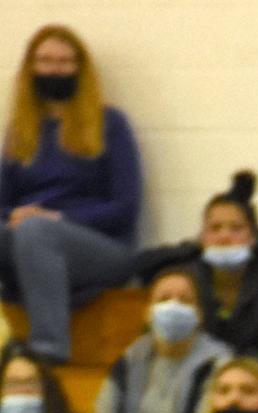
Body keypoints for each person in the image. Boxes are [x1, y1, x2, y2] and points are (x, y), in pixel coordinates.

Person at [0, 24, 141, 364]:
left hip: (103, 247)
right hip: (29, 240)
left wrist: (56, 218)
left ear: (80, 68)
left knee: (37, 232)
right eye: (46, 61)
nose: (55, 69)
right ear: (31, 68)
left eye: (65, 61)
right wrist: (14, 217)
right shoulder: (20, 131)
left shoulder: (110, 123)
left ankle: (49, 351)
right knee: (30, 232)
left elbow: (125, 207)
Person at [134, 171, 258, 413]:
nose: (224, 236)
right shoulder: (188, 281)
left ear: (253, 238)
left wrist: (226, 372)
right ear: (202, 238)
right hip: (209, 382)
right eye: (215, 228)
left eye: (236, 228)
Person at [90, 268, 232, 413]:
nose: (173, 305)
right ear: (148, 313)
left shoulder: (218, 362)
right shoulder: (129, 359)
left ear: (199, 314)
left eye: (184, 300)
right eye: (164, 299)